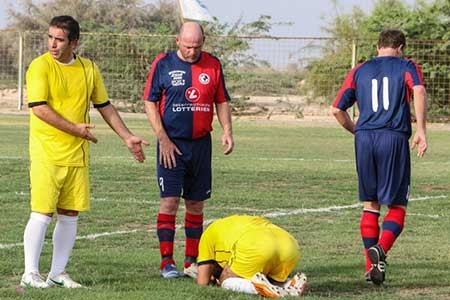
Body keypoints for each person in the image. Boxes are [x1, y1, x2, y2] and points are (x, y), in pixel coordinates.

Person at [20, 15, 148, 289]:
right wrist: (75, 129)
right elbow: (39, 108)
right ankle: (30, 273)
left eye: (59, 39)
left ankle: (57, 273)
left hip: (76, 155)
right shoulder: (39, 66)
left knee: (69, 214)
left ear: (74, 42)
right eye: (50, 37)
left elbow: (105, 106)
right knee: (42, 212)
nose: (53, 44)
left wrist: (127, 137)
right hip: (46, 153)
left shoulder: (88, 68)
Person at [331, 29, 427, 285]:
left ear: (378, 47)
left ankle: (370, 267)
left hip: (364, 138)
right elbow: (418, 90)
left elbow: (337, 109)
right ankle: (381, 249)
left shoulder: (359, 69)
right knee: (397, 206)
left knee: (370, 203)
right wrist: (421, 130)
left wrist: (356, 130)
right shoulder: (407, 65)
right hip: (393, 137)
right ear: (401, 47)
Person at [143, 21, 234, 279]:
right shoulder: (163, 64)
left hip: (201, 145)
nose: (192, 51)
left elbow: (222, 101)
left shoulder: (213, 64)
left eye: (197, 46)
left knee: (195, 203)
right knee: (170, 201)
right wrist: (162, 137)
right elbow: (150, 102)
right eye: (187, 46)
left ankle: (190, 262)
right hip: (171, 144)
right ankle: (166, 263)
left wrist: (227, 131)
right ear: (177, 41)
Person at [196, 215, 307, 298]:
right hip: (290, 244)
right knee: (270, 279)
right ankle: (289, 284)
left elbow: (202, 283)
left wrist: (216, 280)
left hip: (256, 243)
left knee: (226, 280)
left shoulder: (207, 235)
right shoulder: (228, 225)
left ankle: (259, 288)